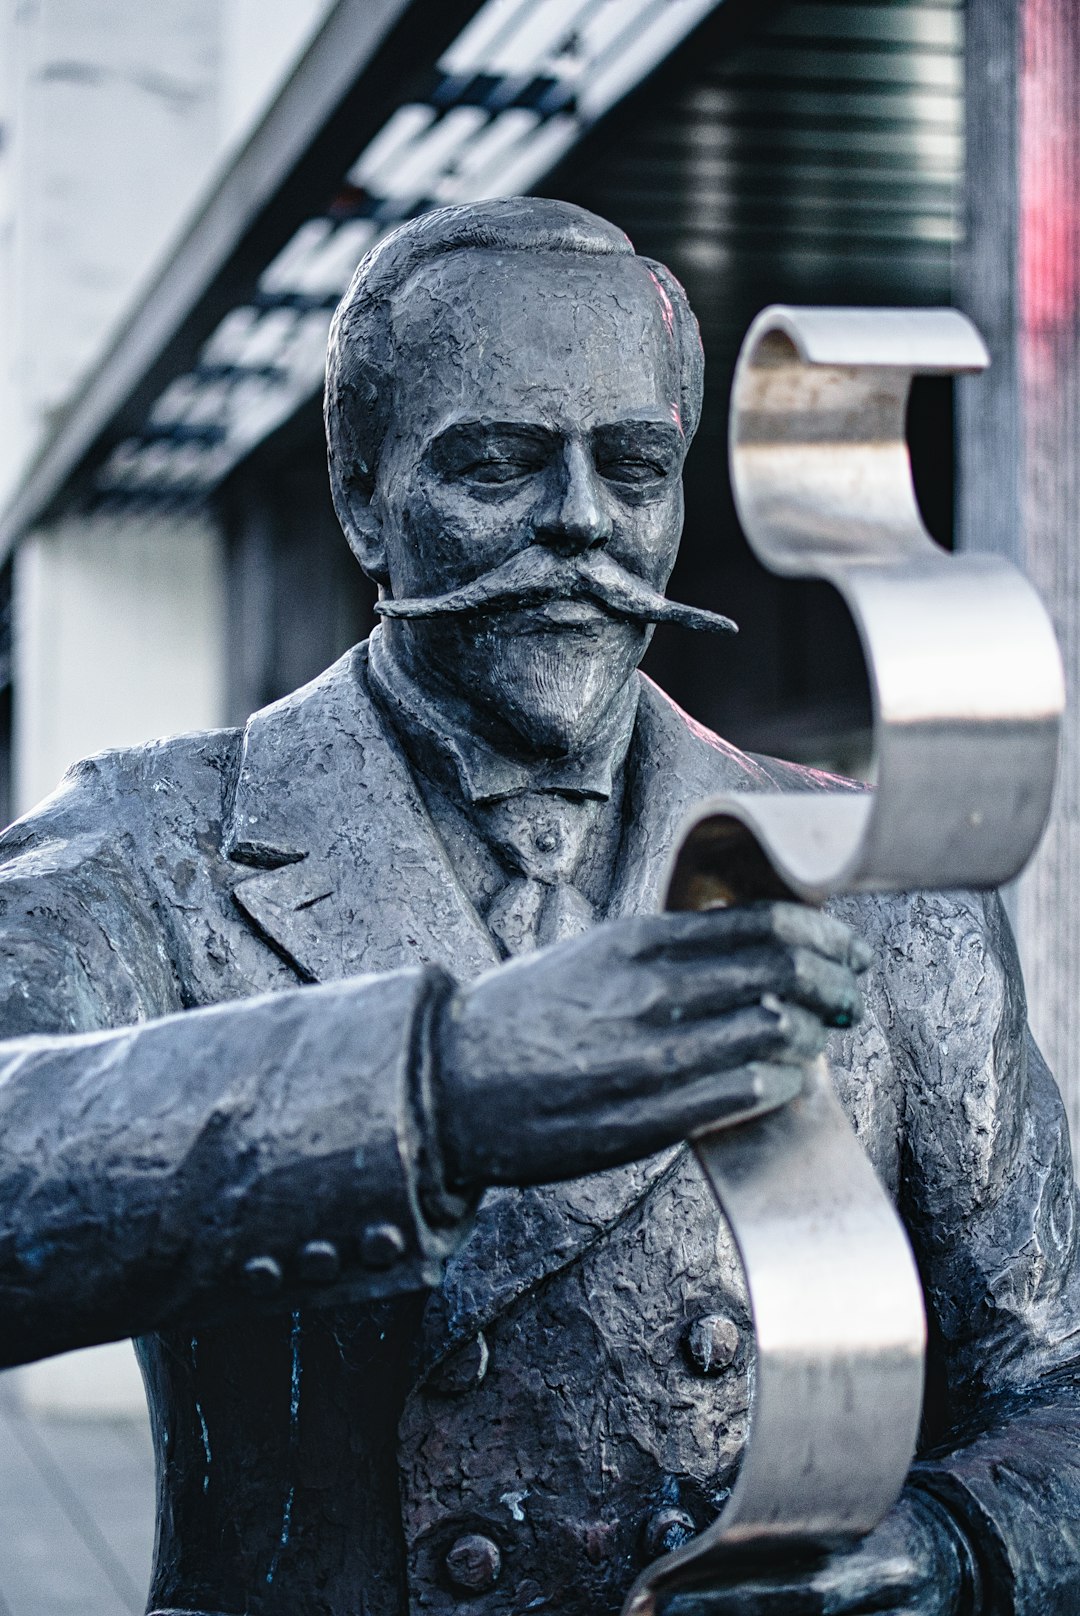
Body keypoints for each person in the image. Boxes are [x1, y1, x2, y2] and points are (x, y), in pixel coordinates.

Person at [0, 197, 1077, 1616]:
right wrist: (439, 1088)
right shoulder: (156, 847)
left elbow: (1054, 1377)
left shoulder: (882, 889)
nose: (581, 522)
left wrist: (955, 1551)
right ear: (361, 490)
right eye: (498, 467)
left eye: (633, 468)